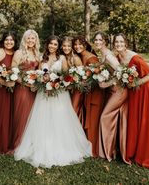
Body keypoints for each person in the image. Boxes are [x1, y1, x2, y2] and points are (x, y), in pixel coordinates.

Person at [14, 35, 91, 168]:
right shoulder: (42, 58)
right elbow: (38, 74)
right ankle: (41, 145)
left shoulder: (61, 58)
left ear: (58, 46)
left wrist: (56, 84)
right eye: (51, 44)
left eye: (55, 44)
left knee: (59, 119)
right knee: (43, 119)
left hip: (59, 94)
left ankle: (60, 146)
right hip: (43, 94)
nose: (52, 46)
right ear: (47, 45)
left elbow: (67, 76)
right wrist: (41, 82)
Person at [113, 33, 149, 169]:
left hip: (144, 91)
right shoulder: (117, 57)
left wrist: (136, 82)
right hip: (133, 93)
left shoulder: (135, 58)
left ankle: (147, 152)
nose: (119, 44)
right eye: (116, 42)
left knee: (145, 121)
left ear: (126, 43)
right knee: (135, 120)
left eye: (121, 42)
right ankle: (134, 150)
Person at [93, 32, 129, 163]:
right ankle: (113, 150)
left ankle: (106, 152)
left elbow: (120, 72)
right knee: (112, 118)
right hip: (113, 91)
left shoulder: (108, 55)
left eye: (100, 40)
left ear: (105, 41)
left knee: (105, 117)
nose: (97, 42)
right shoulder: (103, 54)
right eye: (95, 40)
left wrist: (106, 84)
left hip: (119, 91)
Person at [73, 35, 105, 157]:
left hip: (94, 94)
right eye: (75, 44)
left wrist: (84, 82)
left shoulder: (92, 58)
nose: (77, 46)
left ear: (85, 45)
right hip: (86, 92)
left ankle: (93, 148)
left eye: (80, 44)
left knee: (92, 120)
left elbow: (98, 77)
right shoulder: (80, 56)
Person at [11, 29, 40, 151]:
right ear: (24, 39)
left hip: (34, 90)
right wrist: (26, 83)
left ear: (36, 40)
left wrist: (37, 83)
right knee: (21, 115)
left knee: (32, 116)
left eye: (33, 38)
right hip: (22, 89)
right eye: (28, 38)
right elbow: (13, 72)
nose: (31, 40)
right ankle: (18, 144)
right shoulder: (19, 53)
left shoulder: (37, 54)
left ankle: (30, 144)